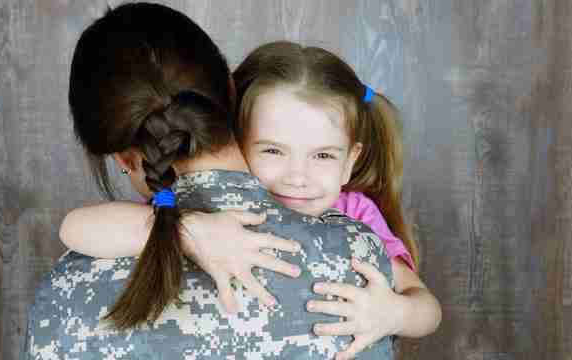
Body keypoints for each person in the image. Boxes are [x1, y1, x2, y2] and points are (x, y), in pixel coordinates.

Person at [21, 3, 407, 359]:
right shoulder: (360, 263)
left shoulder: (62, 293)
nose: (298, 177)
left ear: (122, 156)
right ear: (230, 90)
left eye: (322, 155)